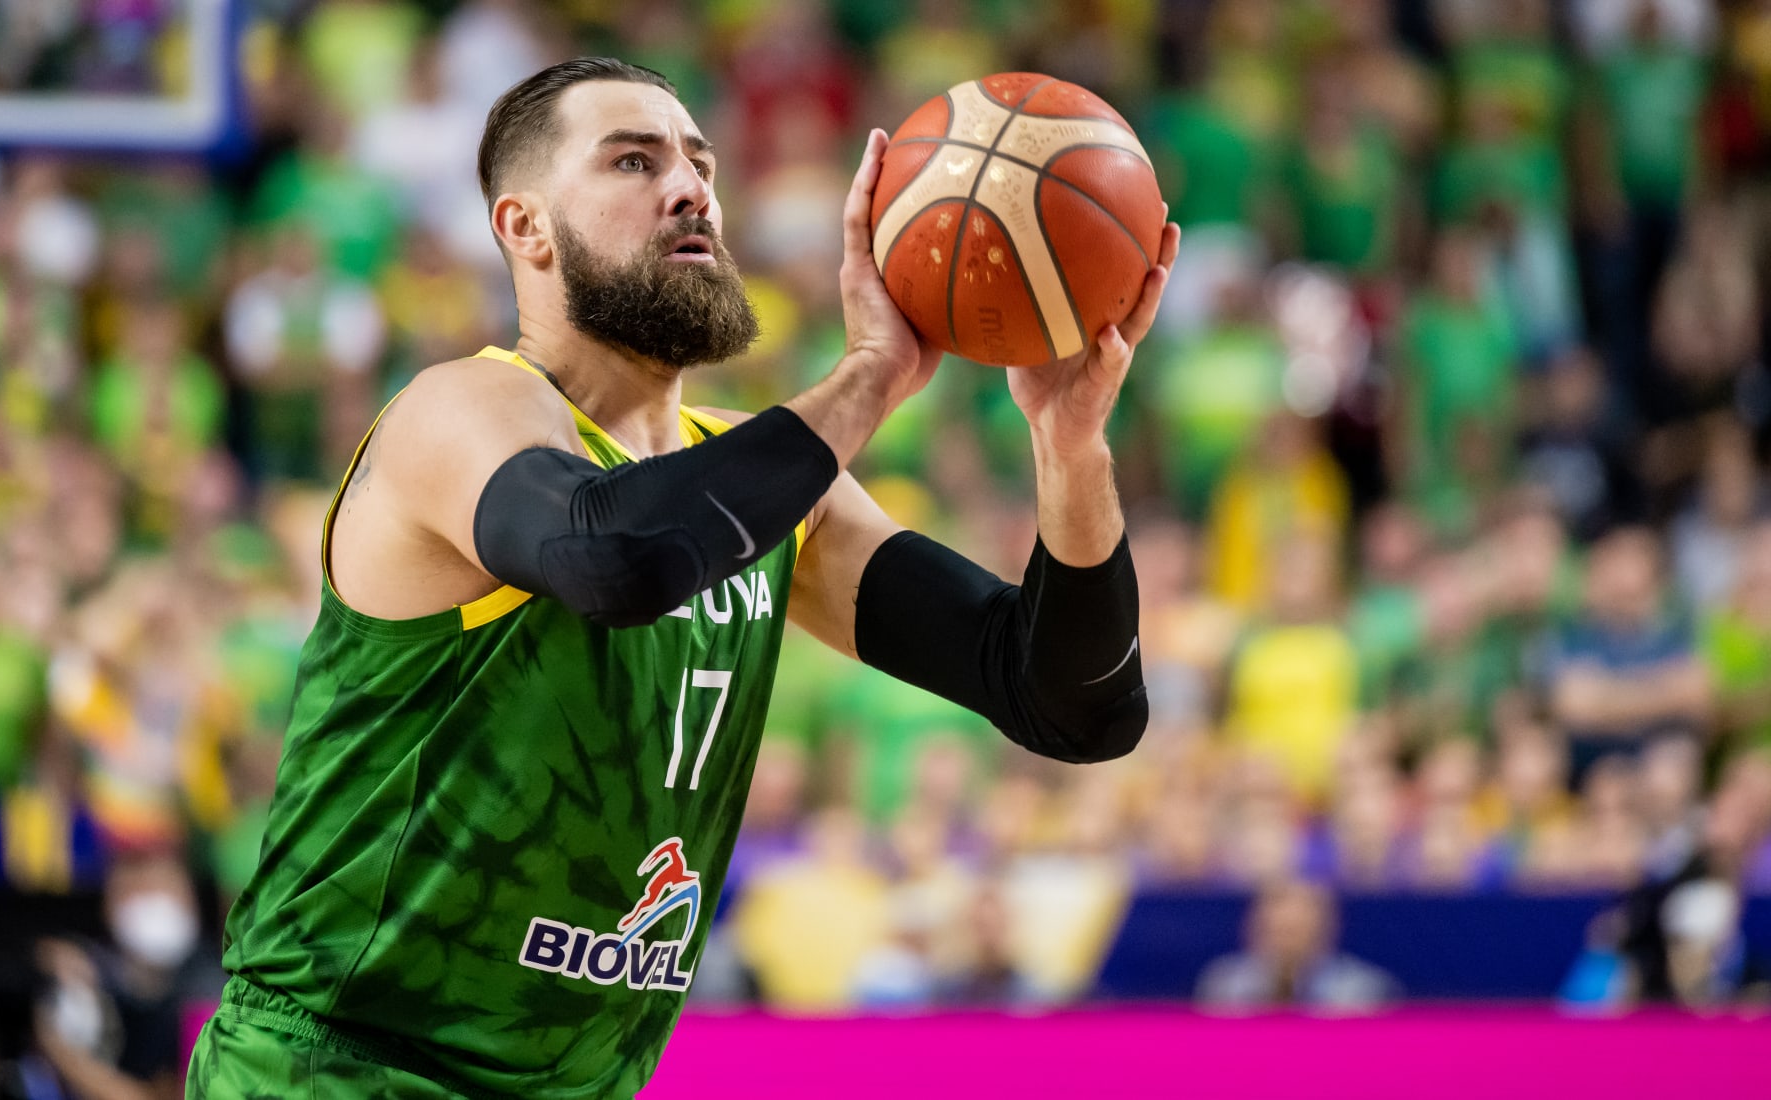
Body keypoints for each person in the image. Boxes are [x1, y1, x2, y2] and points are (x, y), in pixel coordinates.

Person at [187, 57, 1174, 1098]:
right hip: (337, 1068)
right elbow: (614, 557)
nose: (689, 187)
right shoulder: (460, 412)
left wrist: (1070, 449)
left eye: (700, 162)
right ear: (525, 226)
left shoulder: (767, 490)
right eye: (633, 160)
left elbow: (1071, 702)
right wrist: (871, 377)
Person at [1194, 878, 1399, 1014]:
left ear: (1326, 929)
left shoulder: (1364, 992)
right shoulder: (1224, 985)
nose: (1287, 943)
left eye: (1297, 930)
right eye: (1279, 931)